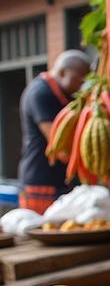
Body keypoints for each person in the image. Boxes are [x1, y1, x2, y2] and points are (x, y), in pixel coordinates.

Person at [17, 49, 90, 213]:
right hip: (42, 188)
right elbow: (60, 148)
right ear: (63, 72)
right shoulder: (41, 93)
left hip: (63, 183)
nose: (82, 84)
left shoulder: (67, 95)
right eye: (80, 78)